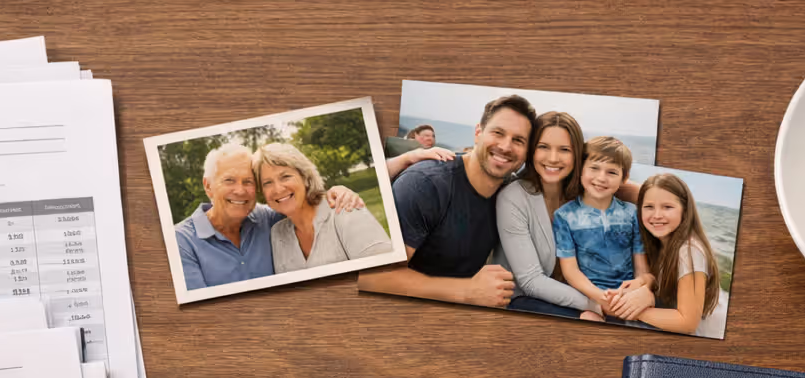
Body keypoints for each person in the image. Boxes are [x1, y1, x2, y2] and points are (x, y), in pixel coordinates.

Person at [357, 94, 537, 308]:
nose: (506, 146)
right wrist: (467, 292)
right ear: (478, 133)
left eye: (518, 140)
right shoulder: (425, 185)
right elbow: (371, 277)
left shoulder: (512, 194)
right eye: (498, 133)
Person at [173, 142, 365, 290]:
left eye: (248, 181)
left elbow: (297, 203)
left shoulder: (267, 219)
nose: (240, 191)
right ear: (208, 186)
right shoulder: (180, 241)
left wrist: (336, 193)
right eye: (229, 180)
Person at [494, 111, 603, 321]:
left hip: (579, 297)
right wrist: (597, 305)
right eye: (543, 147)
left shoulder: (583, 196)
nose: (553, 158)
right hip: (522, 302)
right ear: (531, 150)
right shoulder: (514, 197)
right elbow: (530, 281)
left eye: (564, 150)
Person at [255, 142, 393, 272]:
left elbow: (386, 273)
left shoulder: (345, 209)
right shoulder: (277, 234)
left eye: (285, 176)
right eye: (267, 183)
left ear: (305, 177)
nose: (278, 189)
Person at [553, 137, 650, 319]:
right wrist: (600, 298)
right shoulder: (565, 216)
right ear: (581, 169)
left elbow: (641, 267)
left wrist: (639, 286)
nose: (601, 178)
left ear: (624, 178)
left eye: (612, 172)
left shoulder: (632, 213)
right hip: (589, 297)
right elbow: (570, 271)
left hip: (626, 295)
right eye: (594, 168)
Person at [624, 172, 722, 335]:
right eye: (648, 207)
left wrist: (634, 309)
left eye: (667, 207)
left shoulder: (689, 250)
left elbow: (688, 322)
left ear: (685, 210)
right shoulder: (662, 243)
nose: (656, 215)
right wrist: (646, 283)